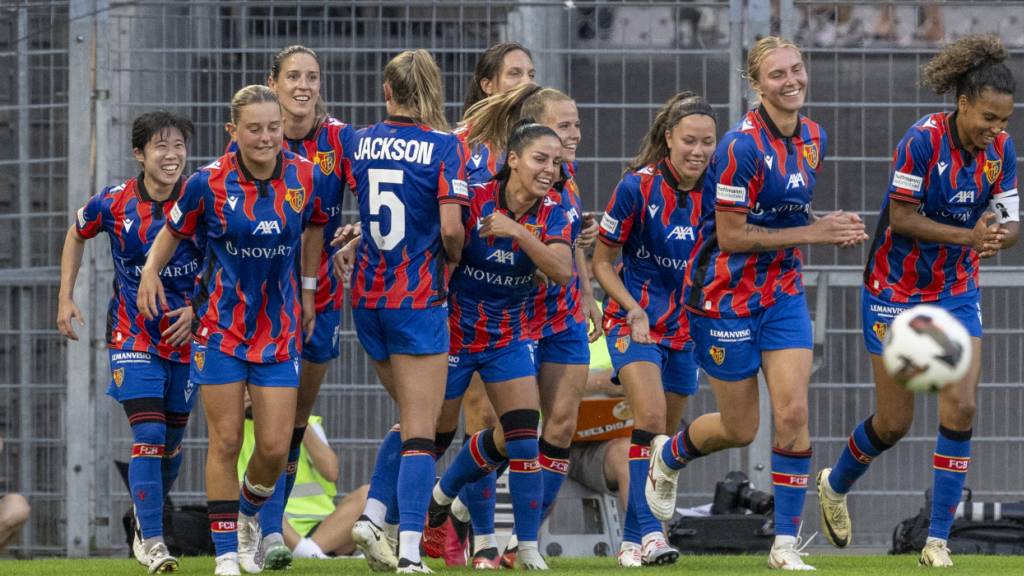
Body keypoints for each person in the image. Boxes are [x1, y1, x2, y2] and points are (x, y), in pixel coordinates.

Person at [644, 36, 868, 571]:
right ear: (755, 84)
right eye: (776, 75)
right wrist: (816, 233)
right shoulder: (740, 147)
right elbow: (732, 235)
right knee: (740, 427)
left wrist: (825, 227)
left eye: (797, 69)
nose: (791, 81)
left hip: (782, 293)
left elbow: (791, 212)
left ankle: (785, 545)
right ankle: (667, 456)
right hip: (724, 298)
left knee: (793, 413)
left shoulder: (814, 136)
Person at [816, 35, 1017, 568]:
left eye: (1005, 120)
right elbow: (901, 218)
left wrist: (1000, 236)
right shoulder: (922, 141)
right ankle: (834, 486)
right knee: (893, 423)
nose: (997, 129)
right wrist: (969, 237)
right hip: (895, 291)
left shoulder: (1001, 151)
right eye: (989, 117)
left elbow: (1011, 217)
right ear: (964, 103)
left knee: (963, 403)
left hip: (955, 290)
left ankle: (937, 541)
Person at [139, 85, 326, 576]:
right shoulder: (208, 182)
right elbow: (171, 232)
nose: (266, 137)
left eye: (273, 127)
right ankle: (226, 555)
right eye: (254, 129)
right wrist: (149, 272)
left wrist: (308, 292)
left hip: (279, 333)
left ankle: (248, 518)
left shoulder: (305, 176)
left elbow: (314, 230)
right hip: (220, 330)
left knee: (271, 447)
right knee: (223, 442)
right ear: (233, 132)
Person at [424, 120, 574, 572]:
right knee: (431, 436)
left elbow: (564, 271)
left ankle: (525, 547)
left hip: (508, 336)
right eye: (539, 159)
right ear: (513, 160)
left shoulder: (554, 209)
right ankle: (403, 526)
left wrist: (518, 232)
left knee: (524, 440)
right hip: (454, 332)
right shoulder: (474, 196)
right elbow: (435, 240)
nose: (549, 169)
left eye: (556, 161)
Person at [341, 49, 469, 574]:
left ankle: (373, 516)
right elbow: (452, 228)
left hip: (367, 298)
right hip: (417, 299)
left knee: (412, 420)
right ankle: (412, 552)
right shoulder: (445, 147)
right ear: (432, 90)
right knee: (425, 430)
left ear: (386, 91)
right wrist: (452, 264)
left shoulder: (356, 141)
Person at [58, 111, 199, 574]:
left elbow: (225, 259)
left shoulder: (204, 196)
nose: (172, 155)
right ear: (139, 154)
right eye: (161, 146)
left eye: (178, 145)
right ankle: (155, 539)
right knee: (150, 433)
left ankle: (144, 518)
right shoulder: (114, 202)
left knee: (173, 442)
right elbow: (76, 233)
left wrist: (197, 310)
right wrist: (65, 296)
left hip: (188, 335)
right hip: (133, 332)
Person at [592, 91, 717, 567]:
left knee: (662, 444)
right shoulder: (636, 187)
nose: (698, 151)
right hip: (632, 323)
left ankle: (631, 540)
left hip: (685, 330)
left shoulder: (717, 192)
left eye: (707, 142)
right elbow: (603, 263)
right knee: (647, 419)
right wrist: (631, 308)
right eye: (689, 140)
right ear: (669, 139)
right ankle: (652, 535)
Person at [247, 44, 356, 571]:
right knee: (261, 426)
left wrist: (357, 235)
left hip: (322, 300)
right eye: (293, 75)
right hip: (261, 304)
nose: (303, 85)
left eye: (312, 76)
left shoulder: (338, 139)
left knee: (293, 425)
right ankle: (262, 530)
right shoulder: (252, 137)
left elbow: (383, 193)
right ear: (274, 81)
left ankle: (268, 529)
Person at [236, 394, 370, 559]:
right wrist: (235, 417)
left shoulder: (309, 424)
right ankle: (311, 553)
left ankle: (310, 552)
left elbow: (331, 471)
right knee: (255, 497)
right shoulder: (235, 430)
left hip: (324, 527)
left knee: (369, 495)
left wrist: (296, 420)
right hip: (275, 527)